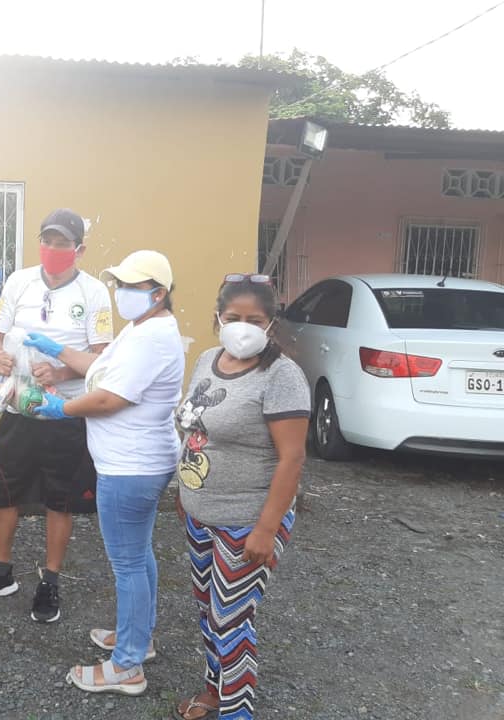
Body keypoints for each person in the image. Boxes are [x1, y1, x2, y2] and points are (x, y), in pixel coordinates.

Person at [26, 250, 185, 695]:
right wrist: (57, 349)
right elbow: (99, 369)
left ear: (159, 293)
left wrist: (60, 408)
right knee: (140, 555)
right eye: (120, 284)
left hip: (129, 466)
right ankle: (139, 638)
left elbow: (110, 398)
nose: (122, 292)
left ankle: (127, 666)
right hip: (139, 462)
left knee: (128, 563)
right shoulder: (142, 328)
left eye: (133, 286)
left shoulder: (151, 337)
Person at [0, 208, 113, 623]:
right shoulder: (18, 281)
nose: (53, 249)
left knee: (59, 500)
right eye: (48, 241)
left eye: (63, 243)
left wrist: (60, 373)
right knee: (5, 492)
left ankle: (51, 580)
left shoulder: (95, 292)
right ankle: (0, 572)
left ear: (79, 249)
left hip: (65, 412)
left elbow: (102, 359)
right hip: (16, 408)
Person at [173, 274, 310, 720]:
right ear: (218, 318)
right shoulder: (207, 360)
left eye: (254, 319)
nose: (243, 327)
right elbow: (196, 426)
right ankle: (214, 692)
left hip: (248, 520)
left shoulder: (282, 375)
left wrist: (267, 529)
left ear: (271, 324)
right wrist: (184, 490)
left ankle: (237, 712)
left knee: (230, 621)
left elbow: (292, 457)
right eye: (234, 317)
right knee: (207, 611)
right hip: (200, 513)